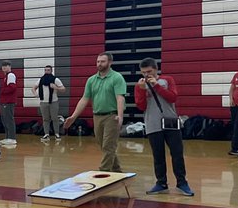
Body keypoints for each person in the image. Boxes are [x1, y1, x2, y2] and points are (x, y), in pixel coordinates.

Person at [134, 58, 193, 197]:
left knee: (177, 154)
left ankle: (182, 182)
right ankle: (161, 183)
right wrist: (142, 90)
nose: (147, 75)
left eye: (149, 71)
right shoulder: (140, 85)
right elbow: (141, 106)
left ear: (156, 69)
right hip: (152, 123)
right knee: (158, 155)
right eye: (143, 72)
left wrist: (156, 86)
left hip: (171, 121)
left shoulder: (167, 80)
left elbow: (173, 97)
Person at [64, 52, 126, 173]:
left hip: (112, 116)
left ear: (110, 62)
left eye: (102, 61)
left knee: (108, 145)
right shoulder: (91, 80)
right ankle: (117, 171)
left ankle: (103, 172)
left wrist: (120, 116)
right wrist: (73, 116)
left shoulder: (117, 78)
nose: (99, 64)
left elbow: (120, 97)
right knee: (104, 145)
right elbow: (84, 99)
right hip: (97, 116)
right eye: (98, 61)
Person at [34, 65, 65, 142]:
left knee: (55, 118)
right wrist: (36, 94)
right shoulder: (41, 80)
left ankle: (57, 134)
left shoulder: (55, 80)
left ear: (51, 71)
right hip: (43, 102)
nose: (46, 72)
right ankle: (46, 134)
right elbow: (33, 88)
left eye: (48, 70)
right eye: (45, 70)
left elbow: (63, 89)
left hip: (53, 102)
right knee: (45, 119)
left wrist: (56, 87)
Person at [0, 61, 18, 148]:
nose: (4, 68)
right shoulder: (6, 77)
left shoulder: (10, 75)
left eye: (6, 66)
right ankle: (7, 137)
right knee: (5, 119)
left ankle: (12, 138)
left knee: (9, 119)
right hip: (4, 101)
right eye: (3, 67)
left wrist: (1, 91)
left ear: (10, 67)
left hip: (8, 101)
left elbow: (12, 87)